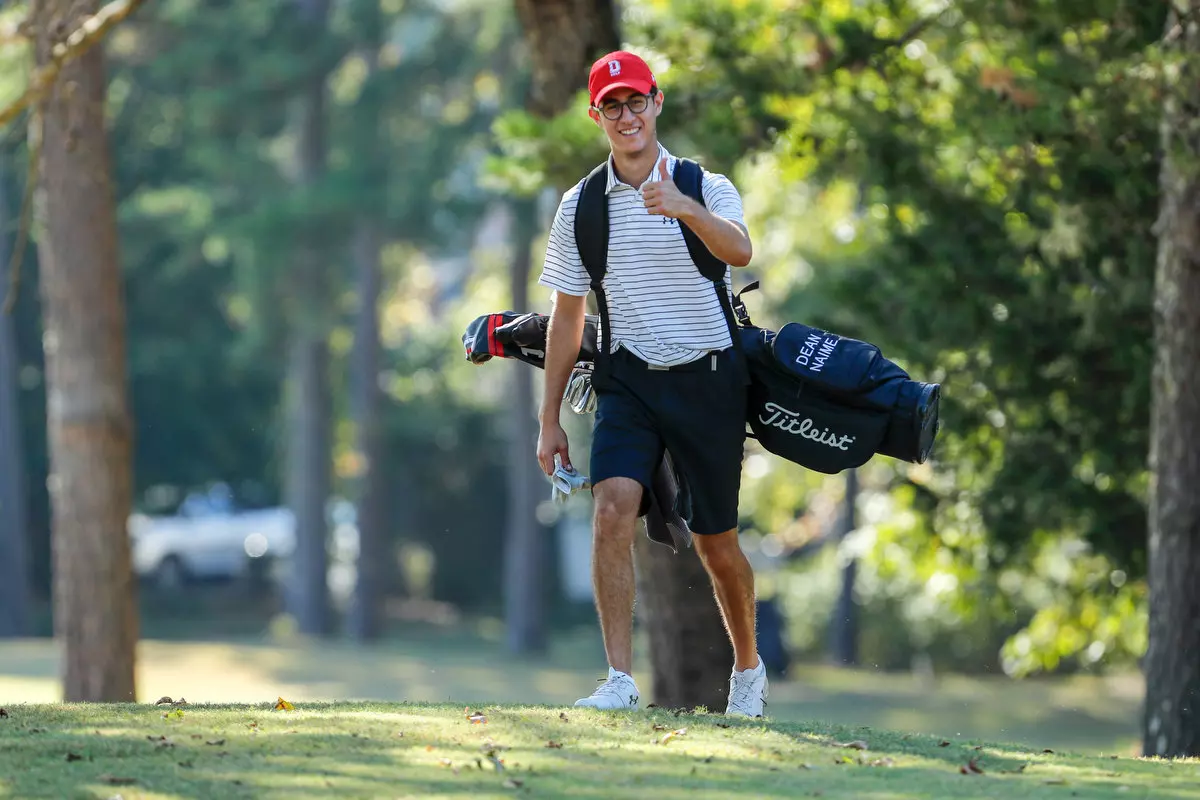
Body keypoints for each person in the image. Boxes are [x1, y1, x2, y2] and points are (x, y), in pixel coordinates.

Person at [534, 50, 768, 717]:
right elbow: (568, 315)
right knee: (610, 508)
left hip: (711, 378)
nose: (626, 116)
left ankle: (747, 671)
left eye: (636, 102)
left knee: (717, 545)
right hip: (630, 380)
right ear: (596, 116)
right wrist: (548, 419)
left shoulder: (703, 184)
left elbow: (741, 251)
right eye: (612, 106)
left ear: (656, 103)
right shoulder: (580, 207)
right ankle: (619, 679)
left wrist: (684, 208)